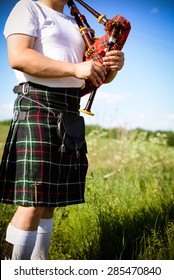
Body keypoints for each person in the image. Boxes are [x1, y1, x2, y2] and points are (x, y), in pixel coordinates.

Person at [0, 0, 124, 260]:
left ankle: (40, 269)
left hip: (69, 110)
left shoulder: (76, 24)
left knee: (48, 203)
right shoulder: (28, 8)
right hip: (37, 102)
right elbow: (19, 56)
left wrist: (111, 68)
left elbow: (90, 74)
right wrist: (76, 68)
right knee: (33, 202)